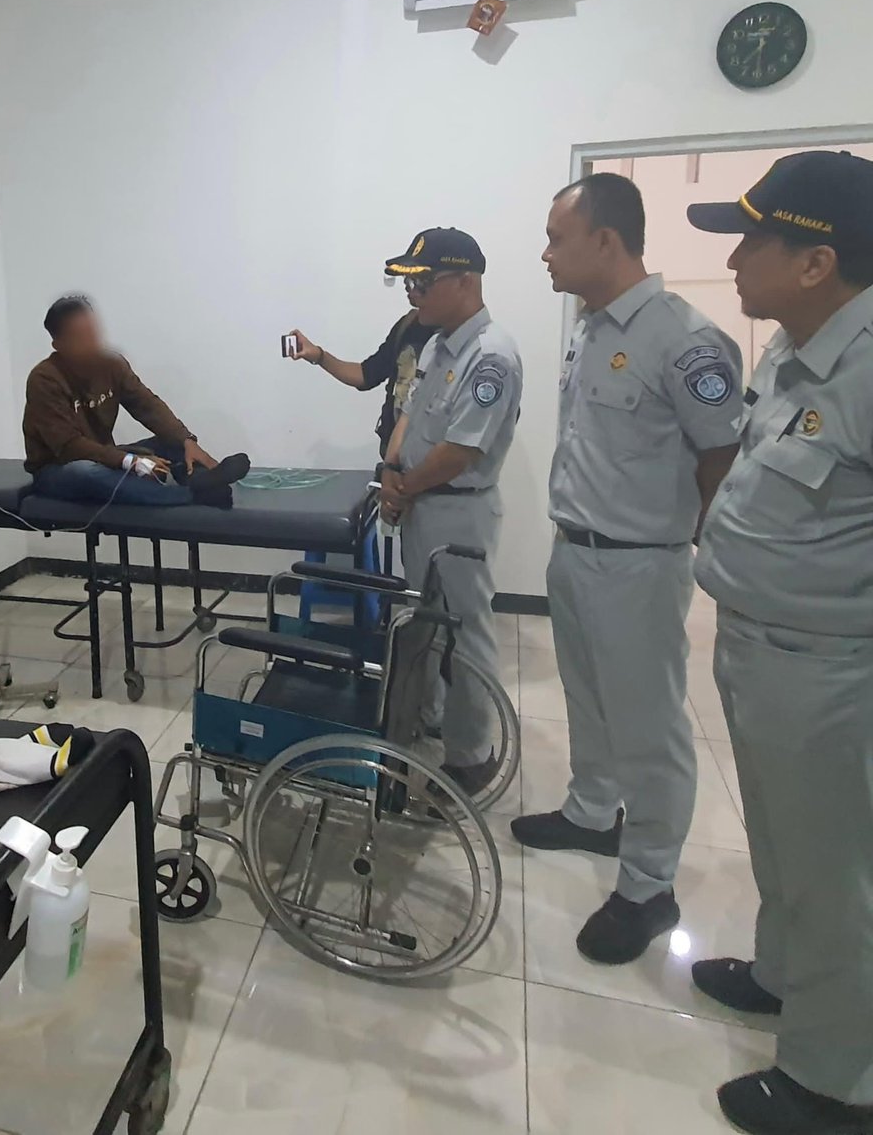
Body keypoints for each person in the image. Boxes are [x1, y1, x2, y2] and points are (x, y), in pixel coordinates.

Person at [682, 150, 873, 1135]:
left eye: (750, 241)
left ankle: (836, 1082)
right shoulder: (794, 351)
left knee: (836, 874)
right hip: (759, 647)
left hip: (828, 670)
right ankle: (782, 975)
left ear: (815, 261)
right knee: (781, 841)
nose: (733, 260)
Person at [513, 173, 742, 965]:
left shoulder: (684, 340)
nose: (546, 253)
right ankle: (590, 812)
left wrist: (701, 550)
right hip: (575, 550)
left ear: (605, 240)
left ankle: (648, 885)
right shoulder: (591, 327)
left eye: (556, 237)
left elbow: (722, 455)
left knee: (649, 729)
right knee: (588, 700)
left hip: (639, 565)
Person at [378, 228, 522, 794]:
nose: (413, 294)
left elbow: (461, 450)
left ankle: (471, 755)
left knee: (466, 637)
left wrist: (404, 487)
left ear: (465, 281)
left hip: (459, 512)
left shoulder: (491, 357)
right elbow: (409, 416)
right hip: (421, 505)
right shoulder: (438, 345)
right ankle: (433, 719)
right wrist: (392, 471)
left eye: (423, 283)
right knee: (428, 625)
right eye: (408, 284)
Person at [23, 295, 249, 507]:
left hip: (103, 455)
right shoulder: (45, 380)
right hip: (58, 469)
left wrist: (186, 440)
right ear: (58, 345)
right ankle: (191, 495)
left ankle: (198, 478)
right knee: (85, 472)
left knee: (171, 441)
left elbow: (146, 404)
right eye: (81, 338)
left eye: (94, 333)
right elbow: (69, 447)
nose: (92, 344)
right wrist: (130, 461)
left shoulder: (111, 364)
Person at [285, 310, 436, 456]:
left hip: (429, 458)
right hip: (394, 456)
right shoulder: (408, 325)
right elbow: (366, 374)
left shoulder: (446, 339)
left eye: (421, 292)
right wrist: (319, 356)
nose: (411, 294)